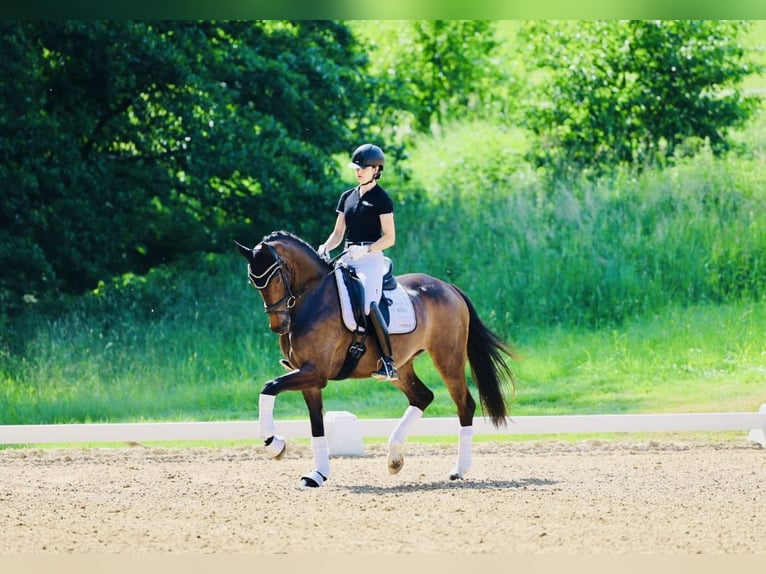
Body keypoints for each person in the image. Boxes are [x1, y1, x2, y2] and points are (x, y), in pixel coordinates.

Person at [318, 143, 398, 381]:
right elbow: (338, 233)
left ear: (376, 169)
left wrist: (367, 250)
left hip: (370, 261)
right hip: (347, 257)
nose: (359, 171)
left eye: (364, 168)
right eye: (357, 167)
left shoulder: (382, 200)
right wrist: (325, 247)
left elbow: (390, 238)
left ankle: (388, 362)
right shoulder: (347, 197)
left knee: (367, 305)